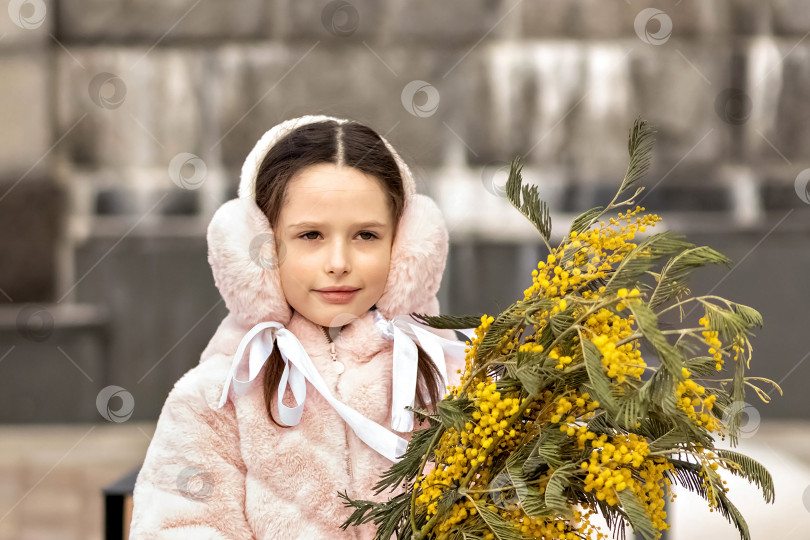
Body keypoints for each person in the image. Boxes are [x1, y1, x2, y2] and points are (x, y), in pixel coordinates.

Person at [129, 114, 468, 539]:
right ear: (259, 246)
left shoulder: (457, 381)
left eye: (366, 235)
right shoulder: (219, 395)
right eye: (310, 235)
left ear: (406, 246)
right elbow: (179, 527)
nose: (339, 263)